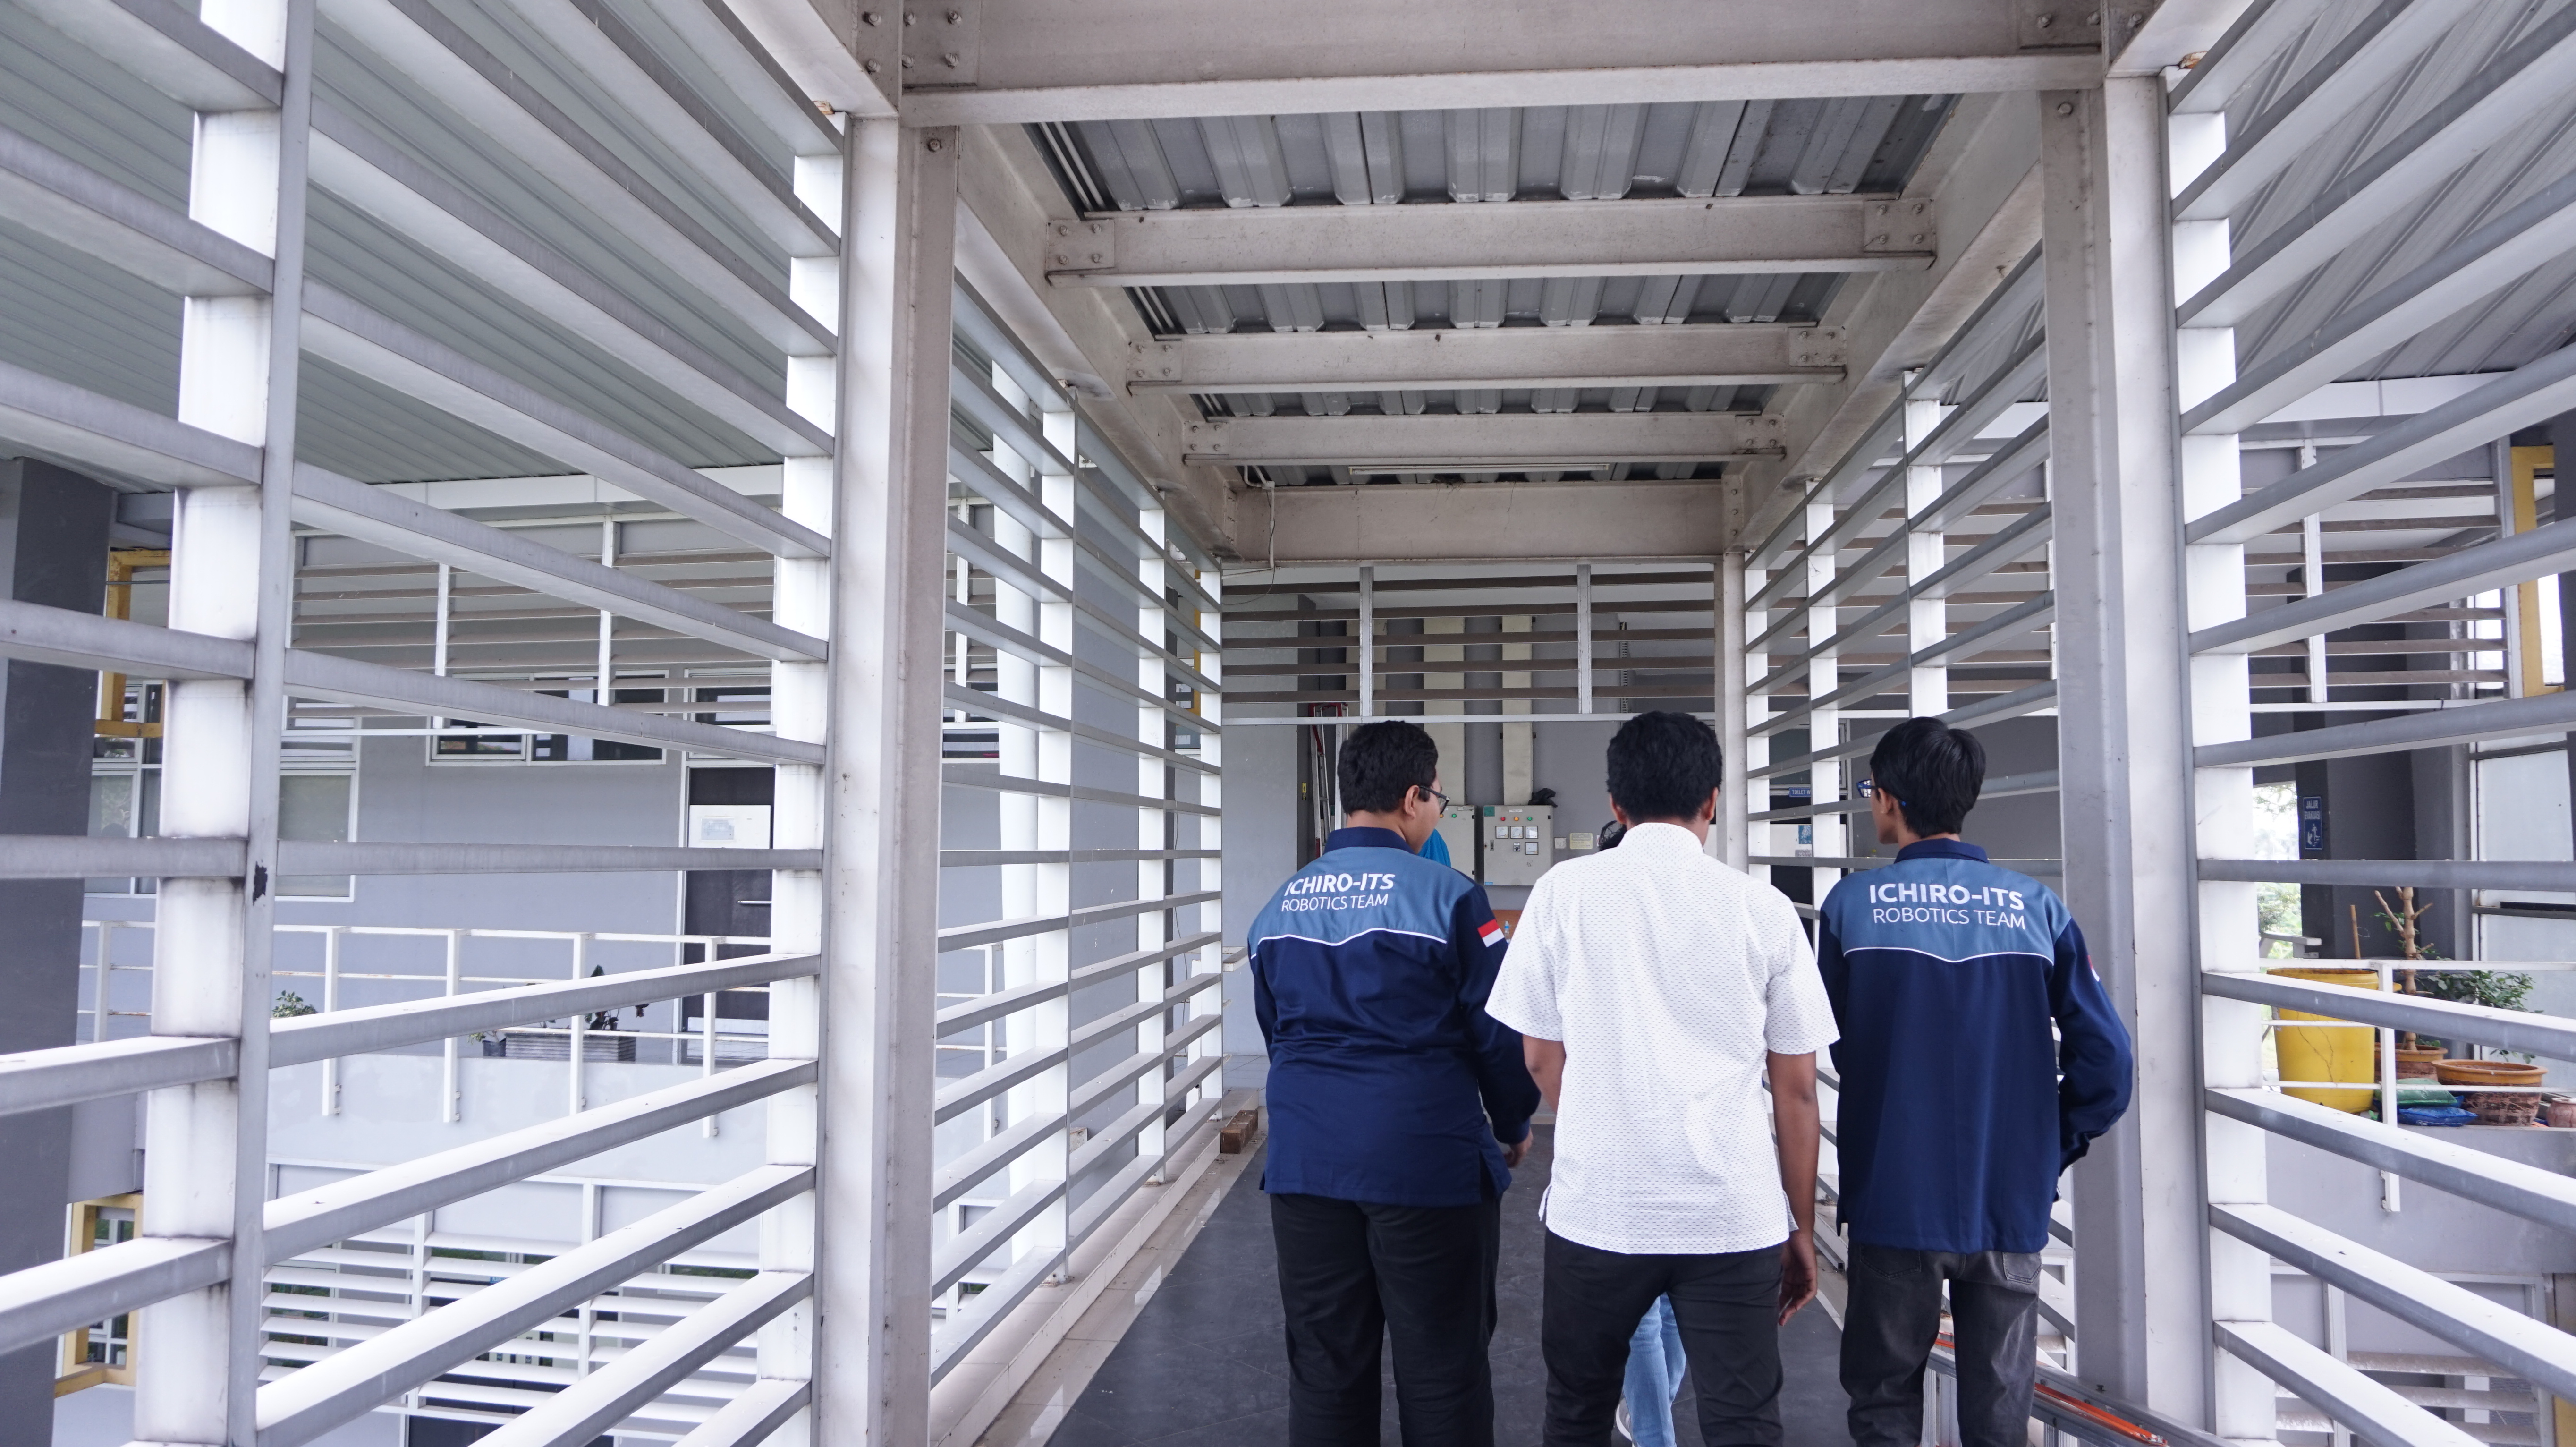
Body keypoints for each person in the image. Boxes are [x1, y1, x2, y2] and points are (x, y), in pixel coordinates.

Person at [1486, 710, 1837, 1447]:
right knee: (1744, 1421)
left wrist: (1601, 1120)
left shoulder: (1561, 894)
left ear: (1616, 805)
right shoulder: (1764, 909)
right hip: (1733, 1214)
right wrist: (1800, 1229)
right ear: (1712, 800)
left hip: (1600, 1207)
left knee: (1577, 1414)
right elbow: (1798, 1090)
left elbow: (1539, 1057)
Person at [1819, 717, 2134, 1447]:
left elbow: (1825, 1041)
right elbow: (2108, 1062)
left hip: (1894, 1194)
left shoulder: (1851, 908)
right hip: (2007, 1198)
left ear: (1887, 799)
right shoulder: (2038, 908)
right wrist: (2051, 1143)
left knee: (1882, 1400)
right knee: (1999, 1411)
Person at [1246, 720, 1542, 1447]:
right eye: (1438, 798)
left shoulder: (1279, 907)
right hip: (1425, 1163)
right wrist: (1513, 1124)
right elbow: (1497, 1033)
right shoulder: (1450, 897)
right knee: (1442, 1368)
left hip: (1306, 1165)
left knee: (1326, 1371)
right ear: (1413, 798)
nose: (1438, 811)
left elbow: (1277, 1035)